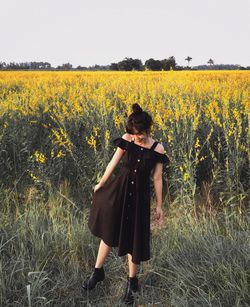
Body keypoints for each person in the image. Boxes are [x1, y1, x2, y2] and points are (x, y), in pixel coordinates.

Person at [83, 103, 170, 305]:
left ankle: (132, 283)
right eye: (133, 134)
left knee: (133, 238)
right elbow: (113, 163)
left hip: (139, 197)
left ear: (148, 130)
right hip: (119, 191)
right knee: (108, 231)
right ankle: (97, 272)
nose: (136, 138)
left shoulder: (158, 149)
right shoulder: (126, 139)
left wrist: (159, 205)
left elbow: (157, 178)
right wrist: (101, 183)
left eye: (139, 134)